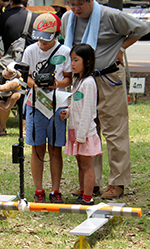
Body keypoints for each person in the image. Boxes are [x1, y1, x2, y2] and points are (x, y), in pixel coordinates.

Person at [62, 0, 149, 199]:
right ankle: (93, 183)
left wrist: (121, 48)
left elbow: (141, 28)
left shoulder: (110, 16)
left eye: (80, 4)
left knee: (114, 130)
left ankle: (118, 182)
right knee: (87, 129)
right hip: (82, 81)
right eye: (72, 4)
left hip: (108, 77)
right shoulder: (67, 19)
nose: (76, 9)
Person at [23, 13, 72, 203]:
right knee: (37, 148)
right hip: (35, 104)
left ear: (57, 35)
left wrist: (56, 84)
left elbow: (68, 77)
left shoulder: (65, 51)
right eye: (39, 38)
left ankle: (56, 189)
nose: (42, 43)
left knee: (55, 148)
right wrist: (36, 85)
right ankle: (38, 189)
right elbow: (25, 76)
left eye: (47, 39)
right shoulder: (29, 51)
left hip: (58, 104)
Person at [0, 0, 38, 136]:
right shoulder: (35, 17)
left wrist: (0, 57)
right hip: (30, 64)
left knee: (6, 93)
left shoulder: (3, 17)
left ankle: (2, 127)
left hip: (10, 64)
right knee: (27, 94)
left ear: (10, 1)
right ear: (27, 1)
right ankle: (24, 129)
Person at [60, 43, 103, 205]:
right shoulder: (78, 82)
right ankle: (83, 192)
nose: (72, 64)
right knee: (80, 165)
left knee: (87, 165)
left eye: (76, 60)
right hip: (76, 131)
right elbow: (78, 105)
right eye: (71, 60)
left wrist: (81, 135)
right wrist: (68, 112)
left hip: (84, 133)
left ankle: (88, 197)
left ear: (87, 62)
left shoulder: (89, 83)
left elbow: (88, 111)